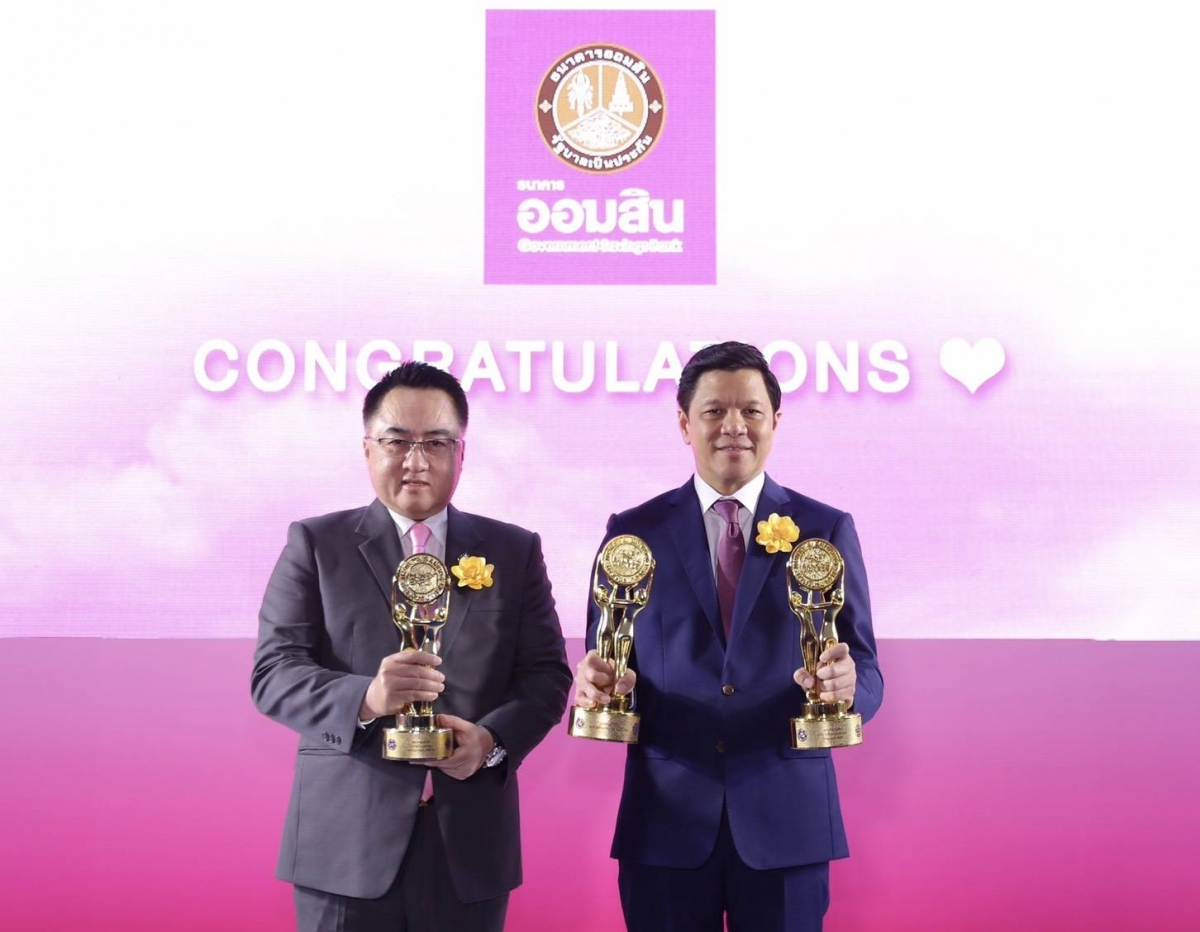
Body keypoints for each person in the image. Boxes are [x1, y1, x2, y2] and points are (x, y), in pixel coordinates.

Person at [574, 341, 884, 932]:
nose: (734, 426)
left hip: (788, 822)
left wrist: (848, 690)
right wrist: (596, 685)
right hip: (665, 822)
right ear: (684, 423)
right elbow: (605, 655)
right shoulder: (634, 532)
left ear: (776, 421)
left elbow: (867, 670)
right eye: (715, 411)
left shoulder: (824, 528)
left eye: (751, 411)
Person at [253, 360, 572, 932]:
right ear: (368, 448)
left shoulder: (514, 550)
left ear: (461, 453)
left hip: (470, 847)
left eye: (436, 442)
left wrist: (491, 743)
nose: (416, 461)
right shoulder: (317, 543)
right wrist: (367, 698)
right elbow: (274, 673)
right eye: (397, 441)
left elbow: (546, 676)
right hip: (342, 849)